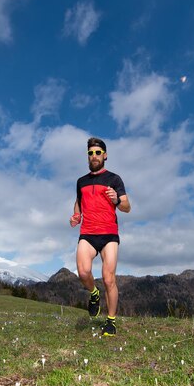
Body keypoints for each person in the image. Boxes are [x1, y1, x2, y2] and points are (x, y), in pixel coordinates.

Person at [70, 137, 131, 336]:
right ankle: (94, 293)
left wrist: (116, 200)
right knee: (83, 272)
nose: (94, 156)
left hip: (109, 234)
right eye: (90, 153)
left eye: (97, 153)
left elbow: (127, 207)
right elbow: (78, 202)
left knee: (108, 278)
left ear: (105, 155)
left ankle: (111, 322)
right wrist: (76, 215)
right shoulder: (81, 181)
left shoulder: (114, 179)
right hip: (87, 232)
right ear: (87, 157)